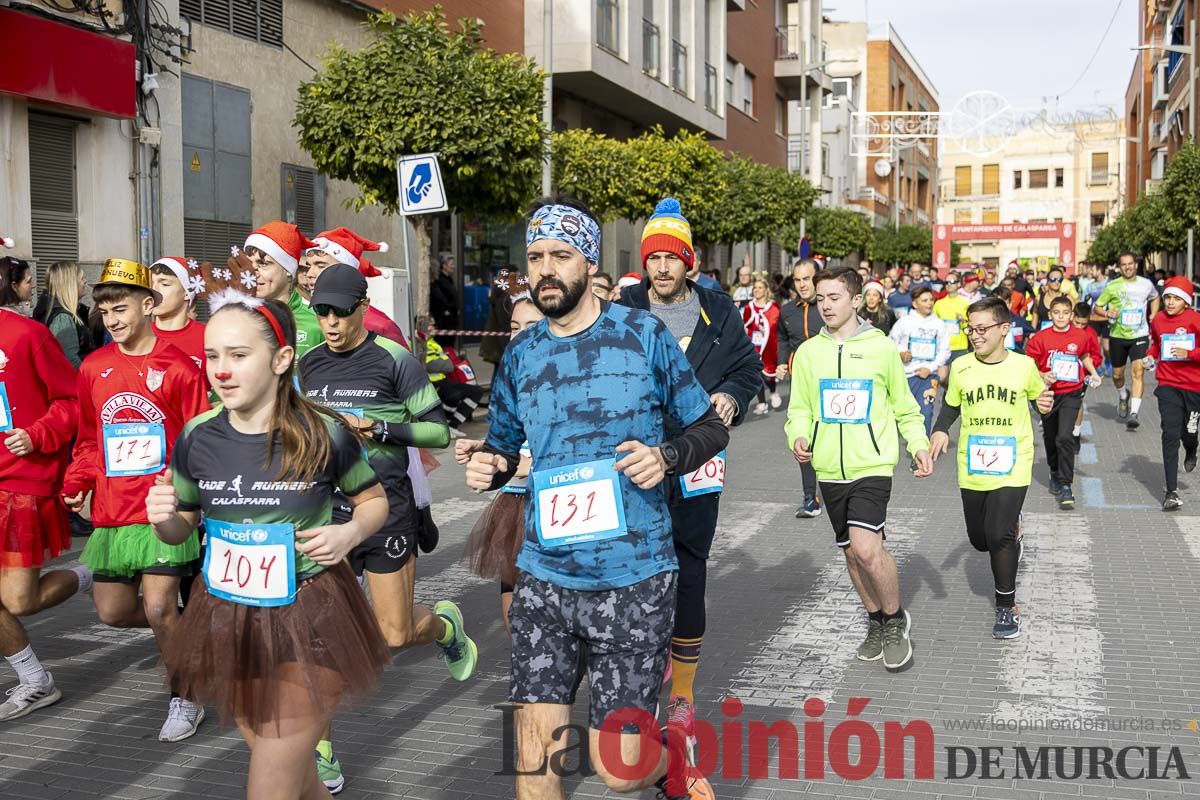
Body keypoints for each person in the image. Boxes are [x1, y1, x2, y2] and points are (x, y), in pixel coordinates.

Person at [463, 195, 725, 800]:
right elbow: (503, 444)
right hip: (545, 578)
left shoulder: (642, 336)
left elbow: (707, 428)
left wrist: (665, 457)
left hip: (633, 579)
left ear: (589, 263)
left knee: (620, 769)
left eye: (560, 255)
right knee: (535, 771)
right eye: (534, 257)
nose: (545, 269)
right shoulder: (522, 354)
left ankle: (670, 766)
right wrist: (491, 465)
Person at [148, 294, 392, 799]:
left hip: (311, 614)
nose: (221, 370)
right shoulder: (196, 435)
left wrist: (348, 533)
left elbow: (373, 502)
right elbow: (183, 527)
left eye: (238, 356)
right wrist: (164, 520)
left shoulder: (325, 433)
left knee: (269, 787)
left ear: (281, 361)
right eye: (212, 356)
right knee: (298, 780)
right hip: (228, 618)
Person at [298, 265, 469, 794]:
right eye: (320, 311)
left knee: (393, 633)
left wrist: (380, 428)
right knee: (317, 636)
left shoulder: (394, 360)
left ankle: (444, 627)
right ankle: (321, 749)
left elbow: (438, 431)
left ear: (362, 307)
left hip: (388, 508)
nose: (328, 321)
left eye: (339, 311)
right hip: (330, 514)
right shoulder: (308, 366)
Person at [618, 197, 760, 764]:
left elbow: (747, 368)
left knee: (690, 568)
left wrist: (731, 395)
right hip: (636, 459)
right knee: (634, 572)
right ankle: (635, 684)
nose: (661, 268)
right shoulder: (623, 306)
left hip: (698, 458)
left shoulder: (718, 310)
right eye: (653, 257)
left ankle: (681, 697)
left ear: (689, 263)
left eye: (671, 258)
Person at [61, 258, 210, 741]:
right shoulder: (93, 367)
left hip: (162, 509)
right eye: (104, 311)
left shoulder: (180, 367)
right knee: (112, 611)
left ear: (149, 305)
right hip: (112, 510)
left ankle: (186, 696)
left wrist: (183, 481)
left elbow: (199, 436)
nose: (113, 319)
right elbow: (88, 438)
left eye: (121, 308)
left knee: (160, 608)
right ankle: (193, 637)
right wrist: (77, 480)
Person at [785, 266, 932, 670]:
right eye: (820, 299)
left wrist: (918, 445)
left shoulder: (880, 347)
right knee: (850, 554)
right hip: (829, 467)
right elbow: (799, 408)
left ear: (854, 299)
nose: (826, 306)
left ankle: (896, 619)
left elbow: (904, 405)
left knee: (868, 549)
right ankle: (875, 621)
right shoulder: (810, 353)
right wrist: (798, 436)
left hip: (873, 464)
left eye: (834, 298)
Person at [929, 296, 1053, 639]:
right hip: (973, 463)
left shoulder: (1024, 366)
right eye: (971, 328)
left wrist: (1045, 404)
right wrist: (940, 429)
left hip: (1013, 462)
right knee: (980, 540)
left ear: (1004, 329)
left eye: (982, 329)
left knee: (998, 535)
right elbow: (951, 405)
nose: (975, 335)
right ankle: (1012, 531)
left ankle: (1006, 607)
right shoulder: (962, 367)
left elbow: (1041, 401)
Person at [0, 302, 87, 721]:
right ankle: (35, 680)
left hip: (20, 482)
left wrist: (37, 435)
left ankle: (90, 573)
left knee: (18, 600)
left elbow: (73, 400)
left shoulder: (26, 334)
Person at [461, 283, 544, 635]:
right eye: (514, 327)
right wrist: (483, 451)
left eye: (531, 327)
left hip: (556, 503)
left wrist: (534, 466)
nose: (520, 336)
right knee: (513, 609)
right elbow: (506, 438)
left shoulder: (572, 374)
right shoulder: (509, 377)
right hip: (513, 502)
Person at [1025, 295, 1102, 510]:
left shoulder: (1079, 336)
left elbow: (1085, 355)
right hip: (1047, 394)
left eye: (1065, 313)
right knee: (1050, 437)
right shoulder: (1040, 338)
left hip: (1071, 391)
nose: (1061, 317)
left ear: (1071, 315)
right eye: (1056, 313)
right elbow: (1029, 365)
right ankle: (1053, 471)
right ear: (1050, 315)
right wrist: (1041, 375)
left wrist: (1094, 373)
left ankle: (1066, 484)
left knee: (1064, 437)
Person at [1145, 277, 1200, 511]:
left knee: (1189, 431)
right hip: (1167, 383)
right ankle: (1171, 492)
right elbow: (1156, 344)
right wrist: (1150, 356)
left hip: (1193, 386)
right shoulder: (1158, 319)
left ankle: (1192, 447)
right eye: (1167, 297)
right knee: (1169, 434)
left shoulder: (1196, 320)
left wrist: (1189, 353)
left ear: (1186, 302)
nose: (1170, 302)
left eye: (1176, 298)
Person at [776, 258, 825, 519]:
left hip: (830, 384)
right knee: (802, 438)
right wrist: (783, 362)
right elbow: (783, 338)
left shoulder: (829, 307)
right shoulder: (787, 311)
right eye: (797, 280)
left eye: (807, 279)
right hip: (801, 384)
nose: (802, 284)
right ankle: (810, 497)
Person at [304, 229, 409, 348]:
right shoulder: (304, 316)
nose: (309, 274)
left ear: (347, 269)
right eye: (309, 266)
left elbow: (403, 364)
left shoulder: (379, 326)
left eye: (320, 265)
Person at [1096, 252, 1160, 430]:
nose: (1127, 267)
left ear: (1136, 265)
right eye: (1123, 264)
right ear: (1120, 267)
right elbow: (1098, 306)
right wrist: (1107, 313)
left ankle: (1134, 413)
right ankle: (1123, 395)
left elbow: (1155, 297)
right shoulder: (1112, 286)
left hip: (1139, 335)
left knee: (1138, 372)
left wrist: (1154, 313)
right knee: (1117, 375)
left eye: (1130, 263)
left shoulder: (1146, 284)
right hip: (1118, 335)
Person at [245, 221, 326, 358]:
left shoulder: (318, 320)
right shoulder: (240, 316)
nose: (253, 272)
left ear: (288, 269)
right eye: (249, 264)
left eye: (263, 264)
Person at [889, 285, 950, 435]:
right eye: (924, 300)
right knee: (900, 414)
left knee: (926, 412)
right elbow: (890, 342)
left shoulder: (939, 324)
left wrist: (930, 368)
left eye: (931, 300)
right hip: (906, 376)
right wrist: (901, 354)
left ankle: (922, 452)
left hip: (928, 376)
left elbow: (945, 350)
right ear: (915, 304)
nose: (929, 303)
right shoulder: (904, 322)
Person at [417, 315, 484, 435]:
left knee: (477, 391)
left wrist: (441, 362)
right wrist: (442, 361)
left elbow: (448, 366)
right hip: (429, 383)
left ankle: (452, 425)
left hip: (442, 380)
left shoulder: (433, 343)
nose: (434, 327)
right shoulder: (418, 343)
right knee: (453, 395)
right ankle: (444, 426)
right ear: (422, 327)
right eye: (431, 325)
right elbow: (430, 365)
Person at [32, 262, 94, 369]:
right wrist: (92, 379)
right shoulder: (63, 318)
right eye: (82, 278)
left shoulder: (66, 312)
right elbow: (70, 362)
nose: (85, 281)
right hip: (77, 383)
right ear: (71, 284)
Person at [150, 257, 207, 371]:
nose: (153, 289)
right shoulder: (137, 336)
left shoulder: (209, 337)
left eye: (165, 284)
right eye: (150, 283)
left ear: (187, 292)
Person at [742, 274, 781, 413]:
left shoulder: (773, 307)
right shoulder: (749, 307)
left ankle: (773, 391)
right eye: (755, 288)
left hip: (769, 347)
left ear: (766, 290)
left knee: (768, 375)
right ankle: (762, 403)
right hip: (754, 347)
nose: (757, 290)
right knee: (756, 375)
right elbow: (744, 326)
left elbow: (777, 327)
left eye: (760, 287)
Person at [933, 274, 971, 366]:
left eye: (952, 282)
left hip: (960, 347)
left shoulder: (966, 302)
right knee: (943, 378)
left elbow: (970, 328)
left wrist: (962, 321)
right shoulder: (938, 304)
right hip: (942, 346)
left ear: (959, 284)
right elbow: (933, 325)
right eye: (946, 282)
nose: (949, 284)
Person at [430, 253, 459, 346]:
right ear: (444, 266)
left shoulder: (449, 279)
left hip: (451, 319)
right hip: (444, 320)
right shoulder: (440, 282)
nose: (453, 267)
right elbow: (441, 299)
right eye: (451, 264)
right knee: (445, 344)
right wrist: (448, 309)